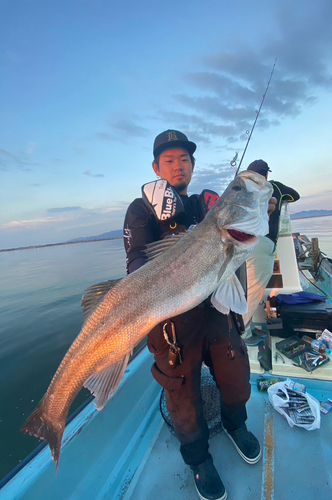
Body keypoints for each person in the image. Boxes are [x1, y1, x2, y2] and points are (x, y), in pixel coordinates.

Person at [123, 130, 262, 500]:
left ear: (194, 165)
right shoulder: (141, 209)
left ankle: (237, 426)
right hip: (172, 322)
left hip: (217, 312)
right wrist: (169, 225)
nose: (178, 165)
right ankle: (199, 461)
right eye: (169, 160)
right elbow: (136, 260)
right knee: (182, 397)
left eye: (184, 159)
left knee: (235, 378)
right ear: (156, 167)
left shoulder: (207, 204)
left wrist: (261, 196)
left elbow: (239, 231)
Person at [242, 159, 300, 342]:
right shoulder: (275, 187)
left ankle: (248, 329)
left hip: (245, 245)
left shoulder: (244, 190)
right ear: (266, 174)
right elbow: (295, 195)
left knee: (246, 289)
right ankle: (242, 334)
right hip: (262, 244)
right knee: (254, 292)